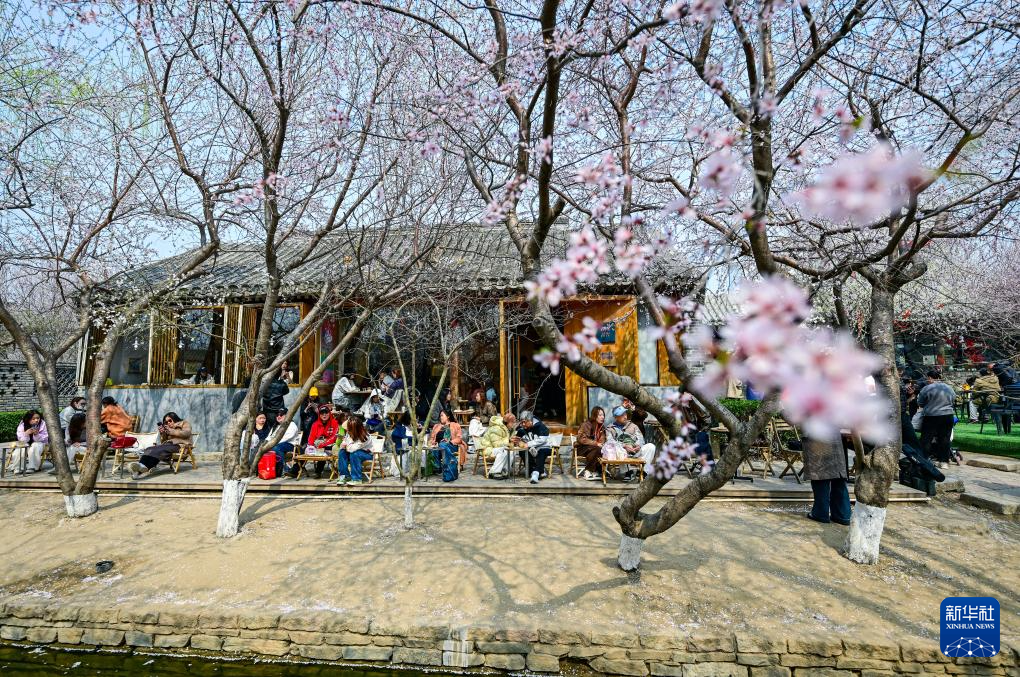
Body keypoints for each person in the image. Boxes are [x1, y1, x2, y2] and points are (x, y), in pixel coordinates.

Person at [803, 434, 852, 525]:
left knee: (820, 476)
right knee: (839, 477)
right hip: (837, 440)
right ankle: (842, 515)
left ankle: (820, 513)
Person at [128, 412, 192, 480]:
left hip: (181, 445)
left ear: (175, 418)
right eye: (166, 422)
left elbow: (187, 433)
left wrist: (172, 431)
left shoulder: (184, 423)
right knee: (149, 449)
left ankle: (140, 470)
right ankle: (140, 468)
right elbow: (163, 441)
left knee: (159, 450)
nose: (168, 423)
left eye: (170, 420)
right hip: (168, 446)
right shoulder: (168, 429)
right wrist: (163, 433)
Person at [917, 369, 956, 469]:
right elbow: (953, 399)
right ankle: (944, 462)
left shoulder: (926, 388)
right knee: (945, 439)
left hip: (931, 416)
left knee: (926, 439)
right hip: (948, 415)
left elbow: (920, 403)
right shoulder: (949, 388)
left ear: (930, 378)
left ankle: (924, 459)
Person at [288, 405, 339, 479]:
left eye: (326, 413)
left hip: (329, 445)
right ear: (319, 414)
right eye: (322, 413)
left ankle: (318, 472)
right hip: (316, 445)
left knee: (324, 451)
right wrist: (311, 445)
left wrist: (323, 444)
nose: (324, 415)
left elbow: (334, 437)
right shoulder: (315, 424)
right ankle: (294, 471)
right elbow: (311, 437)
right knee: (304, 449)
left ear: (329, 413)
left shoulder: (334, 423)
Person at [608, 405, 656, 480]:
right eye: (622, 415)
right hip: (622, 453)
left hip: (635, 451)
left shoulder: (633, 426)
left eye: (625, 414)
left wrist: (638, 446)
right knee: (618, 449)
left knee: (651, 446)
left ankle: (643, 471)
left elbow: (641, 439)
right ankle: (628, 472)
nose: (625, 417)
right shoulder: (610, 428)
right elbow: (610, 442)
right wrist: (624, 446)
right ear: (616, 417)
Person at [513, 410, 551, 484]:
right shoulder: (521, 429)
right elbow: (517, 439)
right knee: (522, 452)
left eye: (525, 422)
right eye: (522, 422)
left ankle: (535, 474)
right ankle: (538, 471)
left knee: (541, 452)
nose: (523, 424)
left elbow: (542, 440)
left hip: (545, 447)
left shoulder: (540, 427)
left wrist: (528, 444)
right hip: (531, 449)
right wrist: (516, 441)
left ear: (530, 421)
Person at [336, 415, 372, 485]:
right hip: (353, 452)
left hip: (367, 454)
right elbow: (342, 446)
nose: (347, 430)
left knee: (355, 454)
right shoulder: (349, 434)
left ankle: (357, 479)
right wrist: (344, 445)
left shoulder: (365, 437)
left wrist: (346, 444)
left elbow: (352, 449)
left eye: (349, 429)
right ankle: (344, 476)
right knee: (342, 452)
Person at [575, 406, 607, 481]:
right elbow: (581, 439)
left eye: (603, 415)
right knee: (597, 449)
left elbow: (602, 439)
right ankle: (588, 471)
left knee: (602, 449)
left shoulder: (602, 427)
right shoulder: (586, 425)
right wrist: (596, 443)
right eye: (600, 415)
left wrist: (602, 444)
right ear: (594, 416)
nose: (602, 417)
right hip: (582, 448)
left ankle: (595, 470)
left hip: (594, 449)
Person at [974, 367, 1008, 433]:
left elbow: (974, 392)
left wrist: (974, 396)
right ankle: (984, 415)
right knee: (981, 401)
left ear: (981, 374)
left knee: (972, 402)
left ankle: (974, 418)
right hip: (999, 399)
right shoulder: (995, 378)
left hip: (988, 401)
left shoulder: (978, 381)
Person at [477, 414, 511, 479]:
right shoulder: (496, 429)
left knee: (511, 451)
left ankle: (504, 470)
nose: (514, 424)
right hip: (487, 449)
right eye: (513, 422)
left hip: (494, 449)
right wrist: (508, 441)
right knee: (503, 450)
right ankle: (494, 472)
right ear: (508, 422)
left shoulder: (504, 428)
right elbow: (496, 444)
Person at [272, 409, 302, 477]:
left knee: (276, 448)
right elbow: (270, 437)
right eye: (277, 415)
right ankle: (274, 470)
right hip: (279, 444)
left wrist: (273, 443)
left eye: (281, 415)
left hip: (291, 446)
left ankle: (285, 469)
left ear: (287, 416)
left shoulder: (292, 424)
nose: (278, 416)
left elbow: (288, 437)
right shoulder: (276, 426)